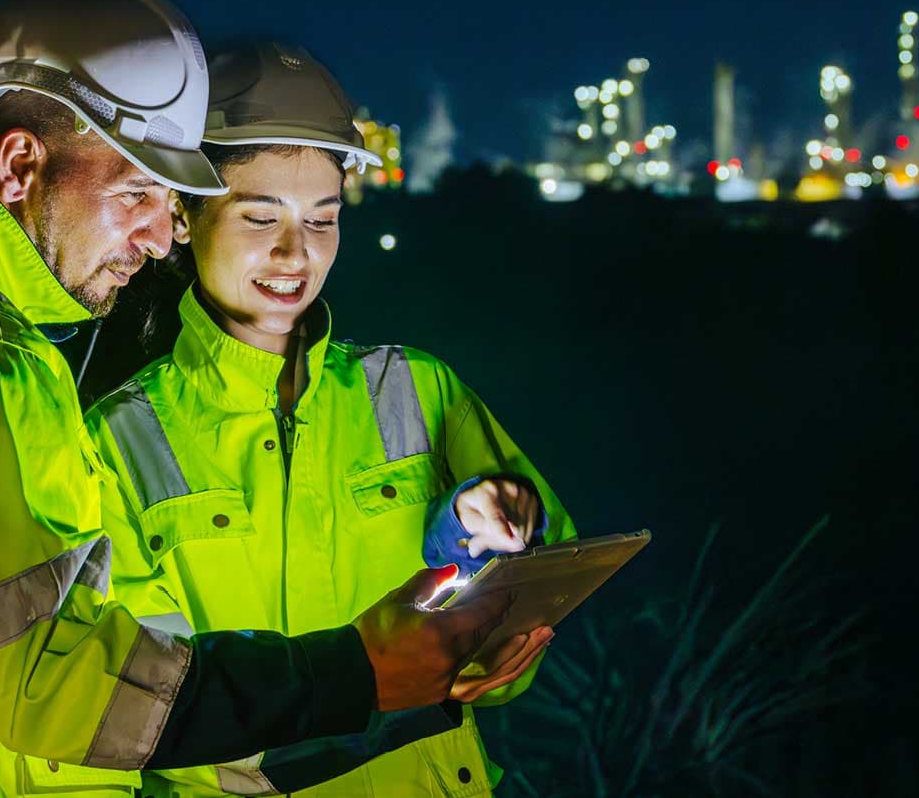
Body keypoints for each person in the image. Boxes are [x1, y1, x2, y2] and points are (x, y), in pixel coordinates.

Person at [0, 0, 524, 797]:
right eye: (137, 190)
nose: (159, 235)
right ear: (22, 163)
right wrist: (355, 674)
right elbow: (55, 686)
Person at [87, 40, 577, 798]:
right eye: (260, 217)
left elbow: (544, 581)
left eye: (323, 219)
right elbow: (118, 694)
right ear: (182, 215)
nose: (295, 253)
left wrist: (488, 529)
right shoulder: (120, 439)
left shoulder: (417, 389)